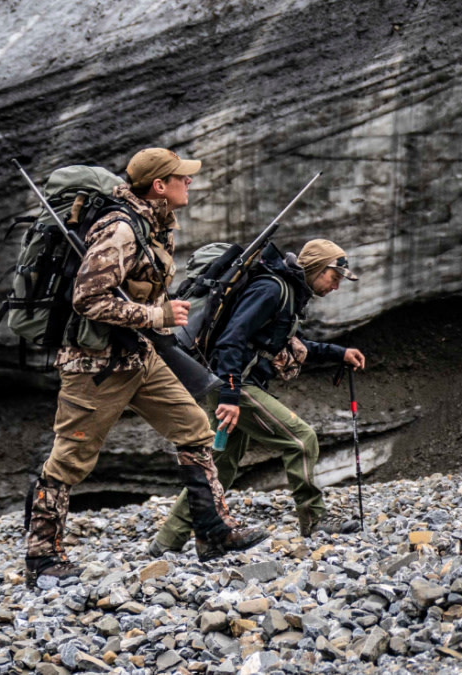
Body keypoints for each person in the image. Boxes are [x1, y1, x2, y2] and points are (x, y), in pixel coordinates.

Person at [24, 148, 267, 587]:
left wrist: (159, 314)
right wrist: (156, 315)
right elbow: (87, 298)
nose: (188, 182)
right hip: (95, 366)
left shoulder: (154, 226)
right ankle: (42, 558)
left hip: (139, 355)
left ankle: (213, 531)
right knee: (69, 460)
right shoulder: (121, 229)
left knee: (194, 427)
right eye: (181, 177)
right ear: (159, 185)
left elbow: (139, 290)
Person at [148, 239, 366, 555]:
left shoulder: (289, 295)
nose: (336, 286)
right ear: (318, 269)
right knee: (302, 439)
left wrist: (339, 353)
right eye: (334, 278)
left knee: (220, 465)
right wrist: (231, 394)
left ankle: (167, 541)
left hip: (229, 384)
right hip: (234, 385)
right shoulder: (272, 290)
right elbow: (230, 340)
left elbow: (292, 345)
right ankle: (314, 519)